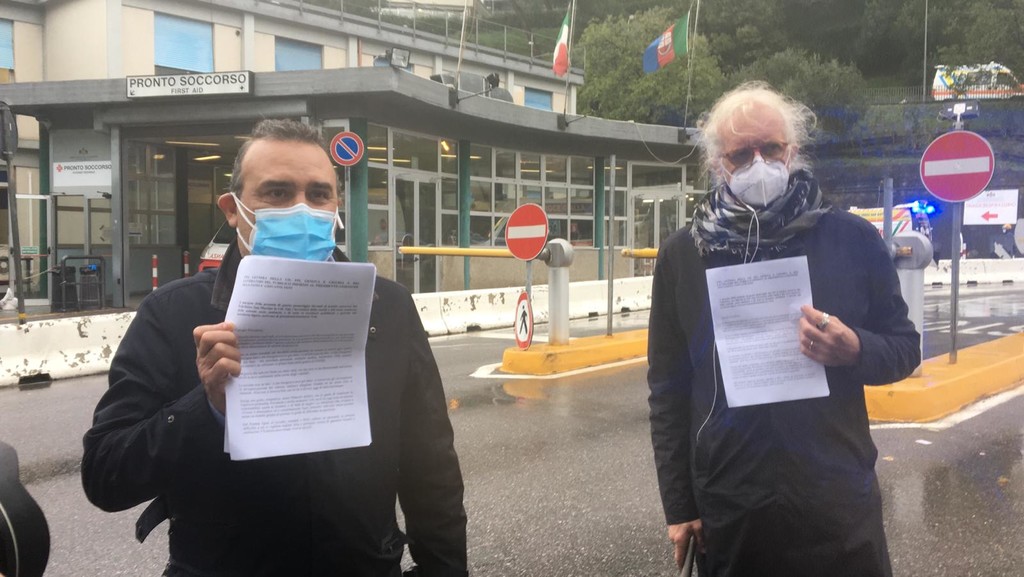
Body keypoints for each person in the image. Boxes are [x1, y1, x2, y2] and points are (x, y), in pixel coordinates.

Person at [82, 119, 468, 577]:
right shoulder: (173, 313)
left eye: (318, 194)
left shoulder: (387, 307)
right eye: (278, 193)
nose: (302, 210)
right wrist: (206, 407)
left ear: (336, 206)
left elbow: (430, 466)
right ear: (233, 209)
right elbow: (105, 475)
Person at [647, 83, 920, 577]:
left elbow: (905, 348)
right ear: (718, 164)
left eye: (770, 149)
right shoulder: (684, 255)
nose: (759, 163)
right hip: (731, 507)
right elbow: (668, 389)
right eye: (741, 154)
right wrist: (679, 504)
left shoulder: (851, 239)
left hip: (836, 504)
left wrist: (856, 348)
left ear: (791, 152)